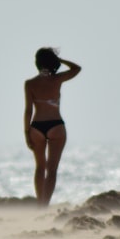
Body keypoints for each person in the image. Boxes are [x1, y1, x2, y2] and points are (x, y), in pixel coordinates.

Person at [24, 48, 81, 206]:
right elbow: (77, 68)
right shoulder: (57, 79)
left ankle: (39, 204)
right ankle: (45, 205)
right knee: (52, 170)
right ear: (52, 62)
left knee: (39, 168)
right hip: (55, 125)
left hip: (36, 127)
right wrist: (59, 60)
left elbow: (28, 110)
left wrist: (26, 132)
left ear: (37, 63)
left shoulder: (30, 84)